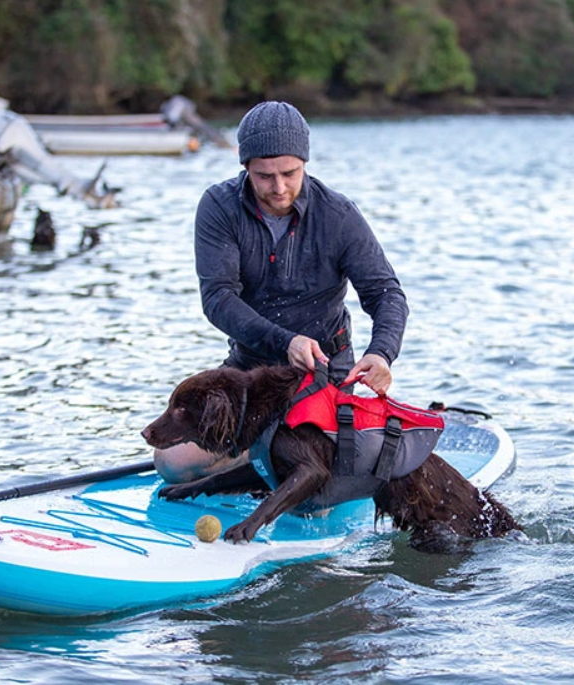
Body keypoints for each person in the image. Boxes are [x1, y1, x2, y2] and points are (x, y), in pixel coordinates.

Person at [154, 100, 409, 483]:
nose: (278, 187)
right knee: (171, 464)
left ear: (304, 163)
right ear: (245, 169)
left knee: (318, 481)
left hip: (325, 373)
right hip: (249, 373)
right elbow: (217, 299)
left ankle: (277, 458)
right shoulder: (218, 207)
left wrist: (381, 353)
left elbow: (386, 294)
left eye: (289, 173)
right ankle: (262, 457)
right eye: (264, 176)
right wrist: (284, 341)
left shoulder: (339, 215)